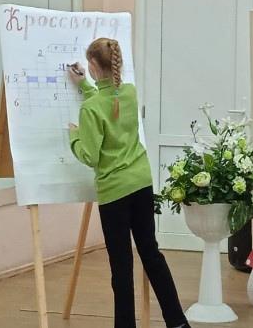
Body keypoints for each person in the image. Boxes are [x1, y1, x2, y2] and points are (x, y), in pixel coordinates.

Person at [68, 37, 190, 328]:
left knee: (121, 267)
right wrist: (85, 86)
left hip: (114, 193)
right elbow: (108, 103)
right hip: (141, 183)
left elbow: (90, 155)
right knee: (151, 254)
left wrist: (73, 137)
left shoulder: (90, 110)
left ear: (93, 65)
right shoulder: (129, 92)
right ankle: (178, 322)